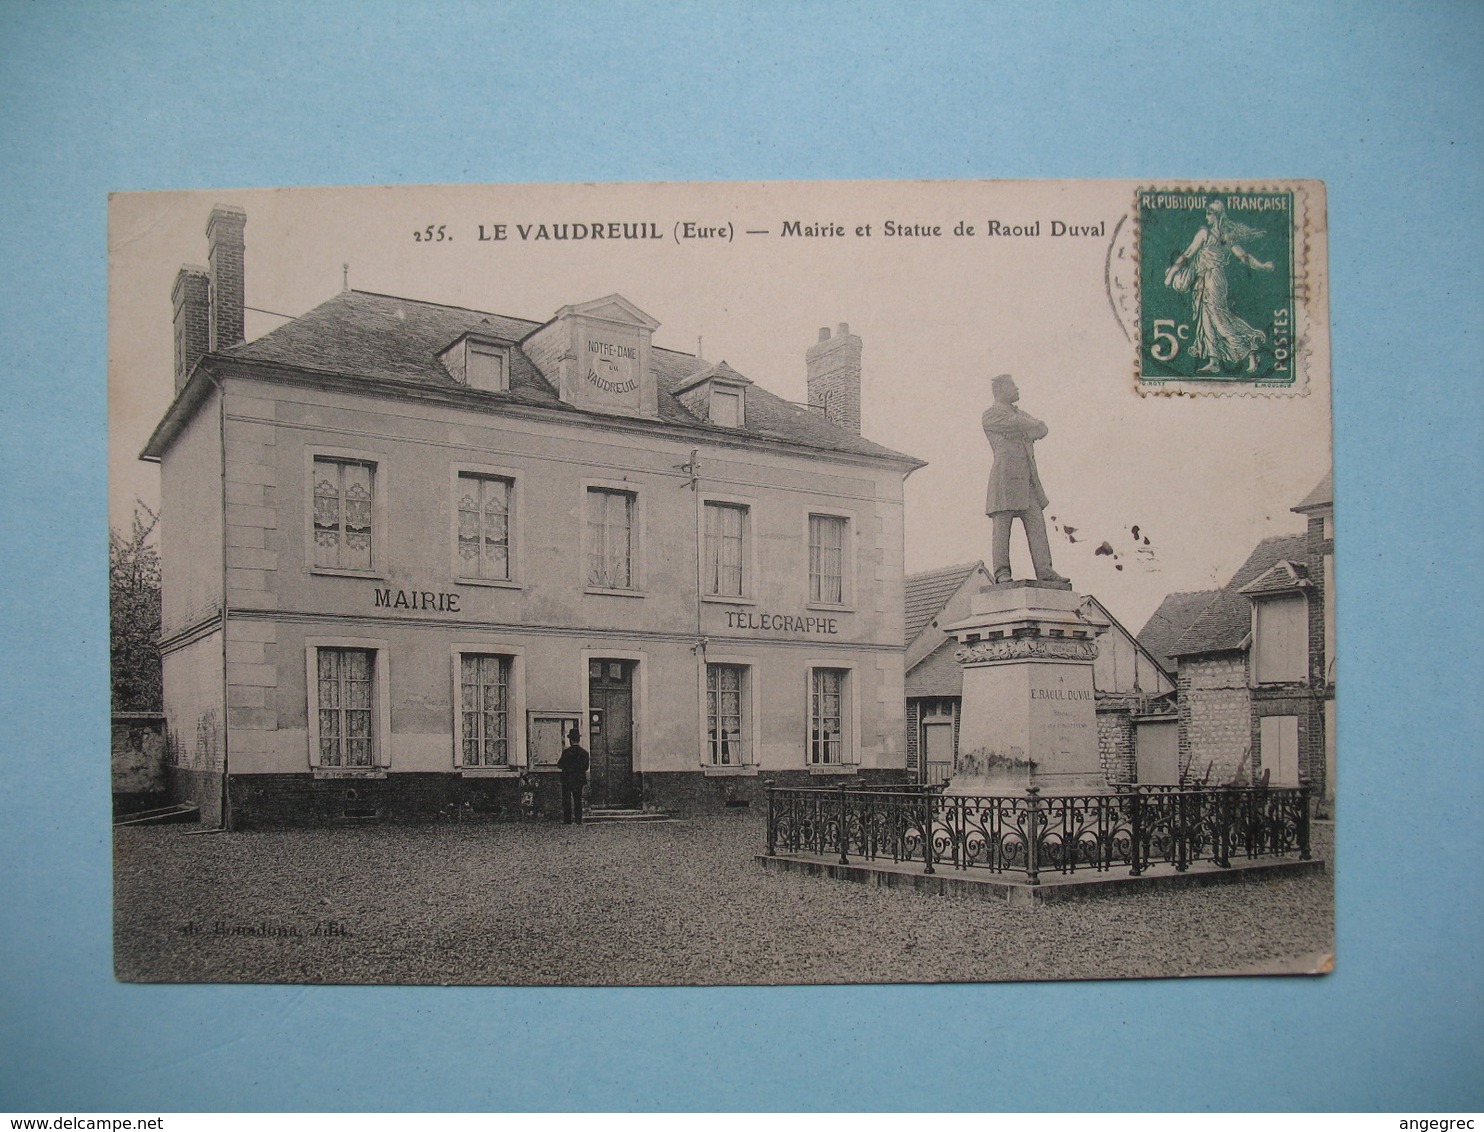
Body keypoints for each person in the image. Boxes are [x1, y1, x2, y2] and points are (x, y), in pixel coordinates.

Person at [1164, 199, 1275, 375]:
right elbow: (1242, 256)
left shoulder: (1208, 234)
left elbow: (1188, 254)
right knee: (1206, 319)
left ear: (1216, 216)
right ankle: (1214, 360)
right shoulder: (1222, 235)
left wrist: (1171, 275)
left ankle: (1250, 351)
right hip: (1204, 279)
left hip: (1213, 279)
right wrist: (1261, 266)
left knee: (1218, 318)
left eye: (1209, 213)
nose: (1206, 216)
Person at [982, 374, 1067, 585]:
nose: (1017, 389)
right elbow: (1023, 424)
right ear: (1000, 390)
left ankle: (1045, 570)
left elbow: (1042, 428)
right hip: (1005, 481)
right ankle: (1002, 573)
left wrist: (1026, 426)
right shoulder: (991, 414)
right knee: (1002, 529)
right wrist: (1027, 425)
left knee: (1037, 525)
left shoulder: (1018, 414)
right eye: (1012, 386)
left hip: (1028, 481)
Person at [557, 727, 590, 825]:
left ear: (570, 740)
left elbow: (560, 765)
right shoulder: (584, 753)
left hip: (567, 779)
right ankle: (578, 820)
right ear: (578, 740)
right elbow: (586, 767)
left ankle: (567, 821)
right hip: (578, 779)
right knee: (578, 799)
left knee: (566, 800)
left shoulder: (567, 752)